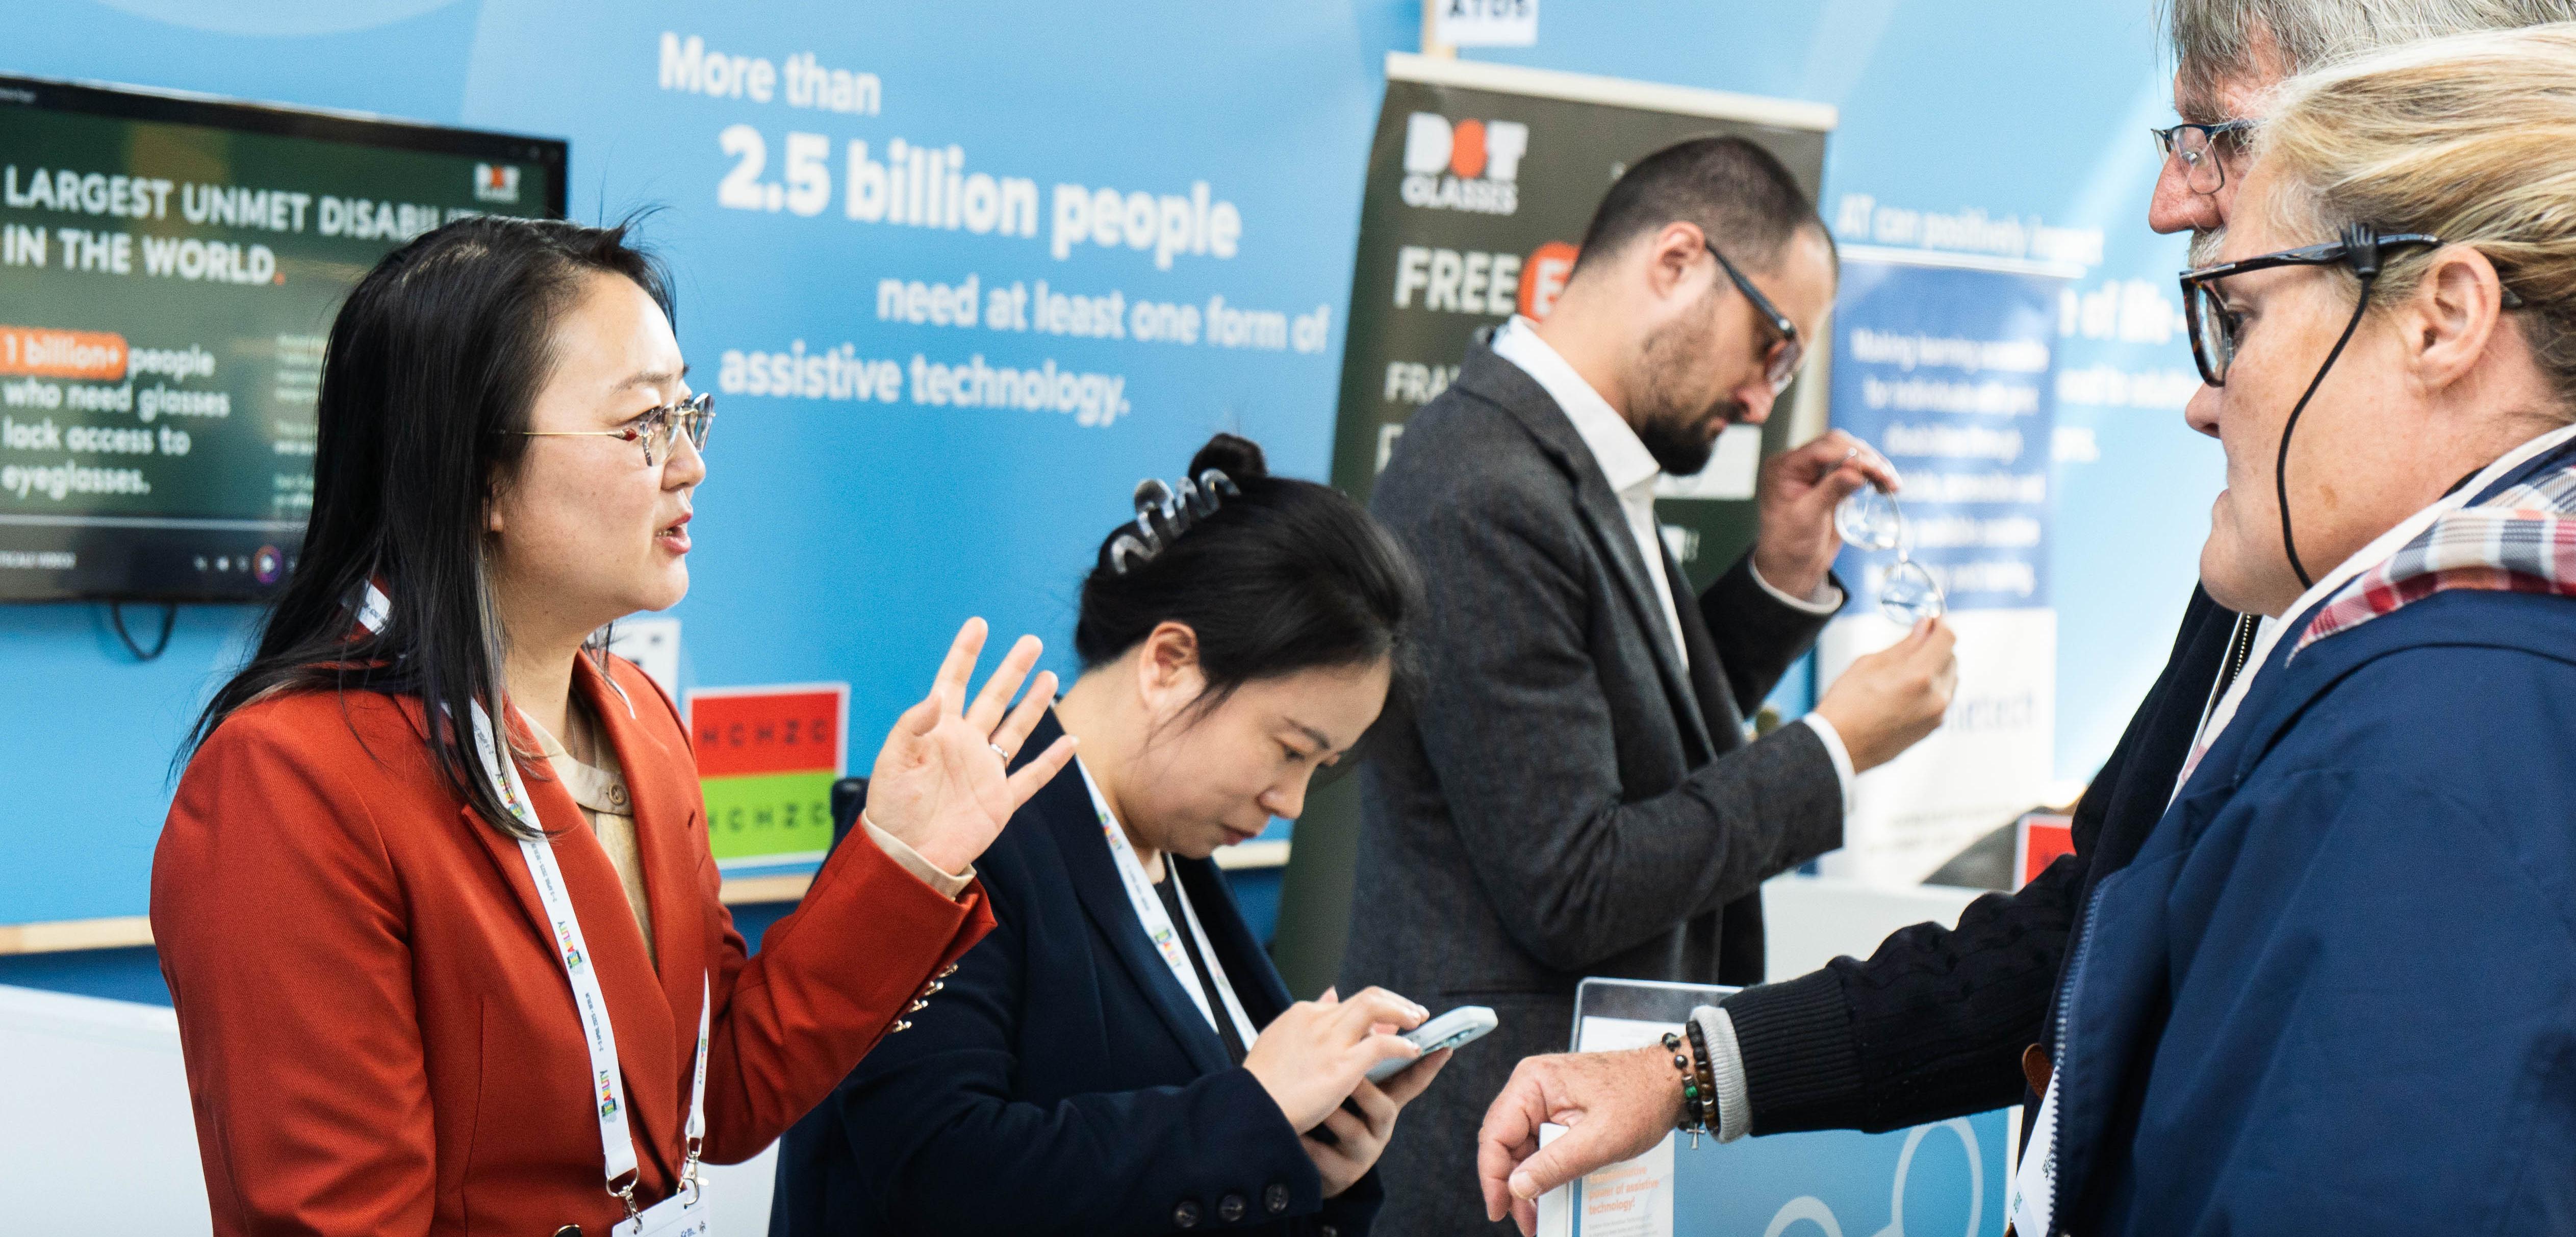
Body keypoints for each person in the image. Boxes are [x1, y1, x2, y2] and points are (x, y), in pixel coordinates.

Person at [1475, 3, 2576, 1230]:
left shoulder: (2437, 750)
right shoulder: (2320, 594)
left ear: (2443, 314)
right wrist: (1690, 1070)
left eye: (2238, 316)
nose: (2168, 197)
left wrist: (1832, 747)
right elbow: (2092, 919)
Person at [151, 216, 1076, 1236]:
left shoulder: (640, 720)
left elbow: (710, 1094)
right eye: (643, 423)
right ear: (478, 474)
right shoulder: (290, 782)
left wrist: (901, 859)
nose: (689, 465)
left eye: (689, 413)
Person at [1340, 134, 1961, 1234]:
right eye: (1771, 345)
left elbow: (1634, 730)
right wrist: (1832, 749)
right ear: (1678, 261)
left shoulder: (1566, 462)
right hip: (1499, 1161)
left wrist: (1776, 580)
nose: (1763, 399)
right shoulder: (1482, 484)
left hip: (1563, 1137)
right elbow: (1574, 882)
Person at [771, 433, 1449, 1236]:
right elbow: (937, 1169)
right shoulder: (956, 831)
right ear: (1169, 664)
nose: (1292, 800)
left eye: (1322, 766)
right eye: (1289, 748)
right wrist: (1252, 1111)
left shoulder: (1174, 851)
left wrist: (1312, 1163)